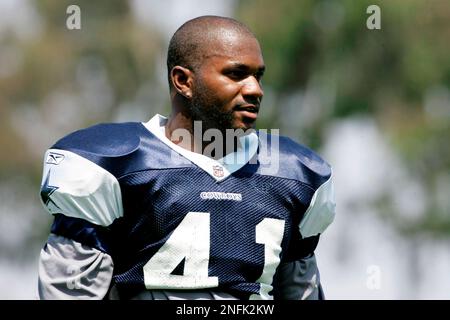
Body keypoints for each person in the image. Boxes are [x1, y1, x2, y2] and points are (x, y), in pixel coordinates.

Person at [38, 15, 335, 300]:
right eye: (236, 74)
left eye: (258, 76)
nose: (255, 89)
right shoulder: (115, 165)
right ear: (183, 81)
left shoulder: (294, 175)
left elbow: (300, 290)